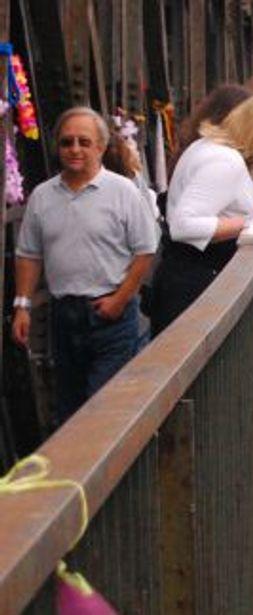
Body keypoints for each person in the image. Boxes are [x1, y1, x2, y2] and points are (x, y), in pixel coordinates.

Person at [11, 107, 158, 423]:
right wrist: (22, 305)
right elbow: (29, 254)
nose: (74, 149)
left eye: (83, 142)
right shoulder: (42, 196)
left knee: (101, 410)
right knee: (70, 410)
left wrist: (121, 299)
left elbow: (146, 250)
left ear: (100, 147)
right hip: (64, 314)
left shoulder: (122, 192)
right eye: (66, 142)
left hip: (110, 314)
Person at [148, 91, 253, 335]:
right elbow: (184, 225)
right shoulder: (225, 161)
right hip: (199, 292)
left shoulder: (208, 148)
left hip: (186, 282)